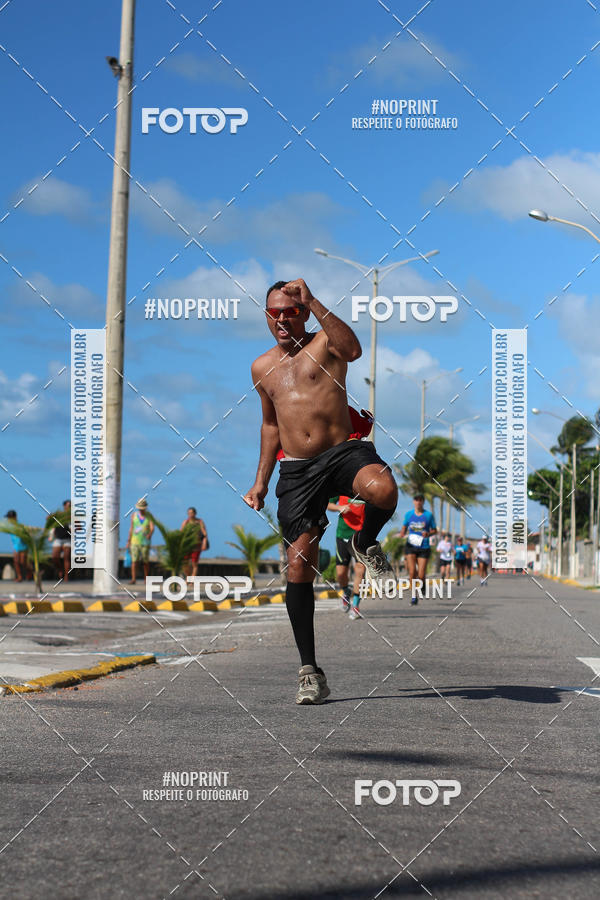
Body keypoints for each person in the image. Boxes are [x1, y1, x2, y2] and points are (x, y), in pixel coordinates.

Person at [244, 278, 397, 705]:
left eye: (290, 311)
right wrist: (260, 482)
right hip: (296, 469)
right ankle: (309, 670)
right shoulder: (261, 368)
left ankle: (366, 542)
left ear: (304, 313)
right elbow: (270, 425)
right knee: (298, 565)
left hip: (342, 451)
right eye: (273, 312)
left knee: (383, 489)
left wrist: (312, 299)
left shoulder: (325, 344)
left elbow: (353, 350)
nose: (280, 319)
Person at [327, 496, 367, 620]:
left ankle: (355, 606)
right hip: (342, 536)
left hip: (361, 537)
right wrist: (339, 507)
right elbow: (328, 504)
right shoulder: (341, 485)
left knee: (360, 570)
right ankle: (346, 591)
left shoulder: (366, 488)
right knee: (341, 574)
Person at [398, 494, 437, 605]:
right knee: (412, 572)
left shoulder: (428, 515)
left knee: (421, 574)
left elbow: (435, 530)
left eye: (420, 500)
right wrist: (402, 533)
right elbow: (404, 527)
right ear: (413, 502)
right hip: (410, 546)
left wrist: (428, 533)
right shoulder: (409, 514)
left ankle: (422, 583)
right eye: (416, 500)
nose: (418, 502)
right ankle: (414, 596)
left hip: (424, 546)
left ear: (423, 502)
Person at [126, 498, 154, 585]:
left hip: (145, 542)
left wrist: (150, 534)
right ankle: (133, 578)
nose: (141, 510)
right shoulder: (134, 515)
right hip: (135, 541)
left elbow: (152, 527)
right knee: (134, 561)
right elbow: (131, 528)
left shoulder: (149, 516)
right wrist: (129, 540)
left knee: (145, 561)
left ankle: (146, 579)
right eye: (140, 508)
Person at [180, 507, 208, 578]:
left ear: (195, 513)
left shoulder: (200, 522)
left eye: (192, 513)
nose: (190, 514)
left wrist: (204, 543)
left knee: (194, 563)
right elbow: (181, 533)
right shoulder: (185, 522)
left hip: (197, 545)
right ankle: (188, 577)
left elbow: (204, 534)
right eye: (189, 513)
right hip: (187, 545)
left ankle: (191, 579)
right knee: (184, 563)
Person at [49, 500, 71, 582]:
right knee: (55, 557)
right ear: (64, 506)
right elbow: (48, 518)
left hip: (68, 538)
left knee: (66, 557)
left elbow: (78, 527)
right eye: (68, 505)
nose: (69, 507)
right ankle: (60, 570)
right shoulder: (59, 514)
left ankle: (66, 576)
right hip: (58, 538)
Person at [4, 510, 30, 582]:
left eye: (10, 517)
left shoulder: (20, 526)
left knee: (23, 562)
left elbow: (26, 536)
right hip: (16, 546)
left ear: (14, 517)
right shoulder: (10, 526)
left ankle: (30, 571)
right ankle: (19, 577)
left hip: (23, 546)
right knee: (16, 561)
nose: (9, 519)